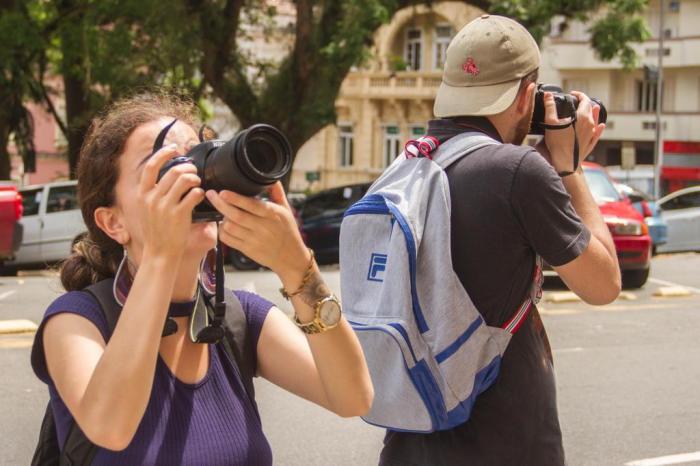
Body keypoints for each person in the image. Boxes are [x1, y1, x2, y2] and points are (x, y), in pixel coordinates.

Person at [30, 92, 373, 465]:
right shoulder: (74, 322)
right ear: (113, 222)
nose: (190, 183)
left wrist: (297, 268)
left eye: (196, 158)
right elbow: (112, 427)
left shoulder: (239, 320)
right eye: (164, 170)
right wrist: (161, 256)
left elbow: (353, 397)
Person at [378, 15, 620, 466]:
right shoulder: (517, 173)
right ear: (528, 95)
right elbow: (602, 283)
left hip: (411, 439)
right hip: (503, 443)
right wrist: (569, 169)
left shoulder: (408, 169)